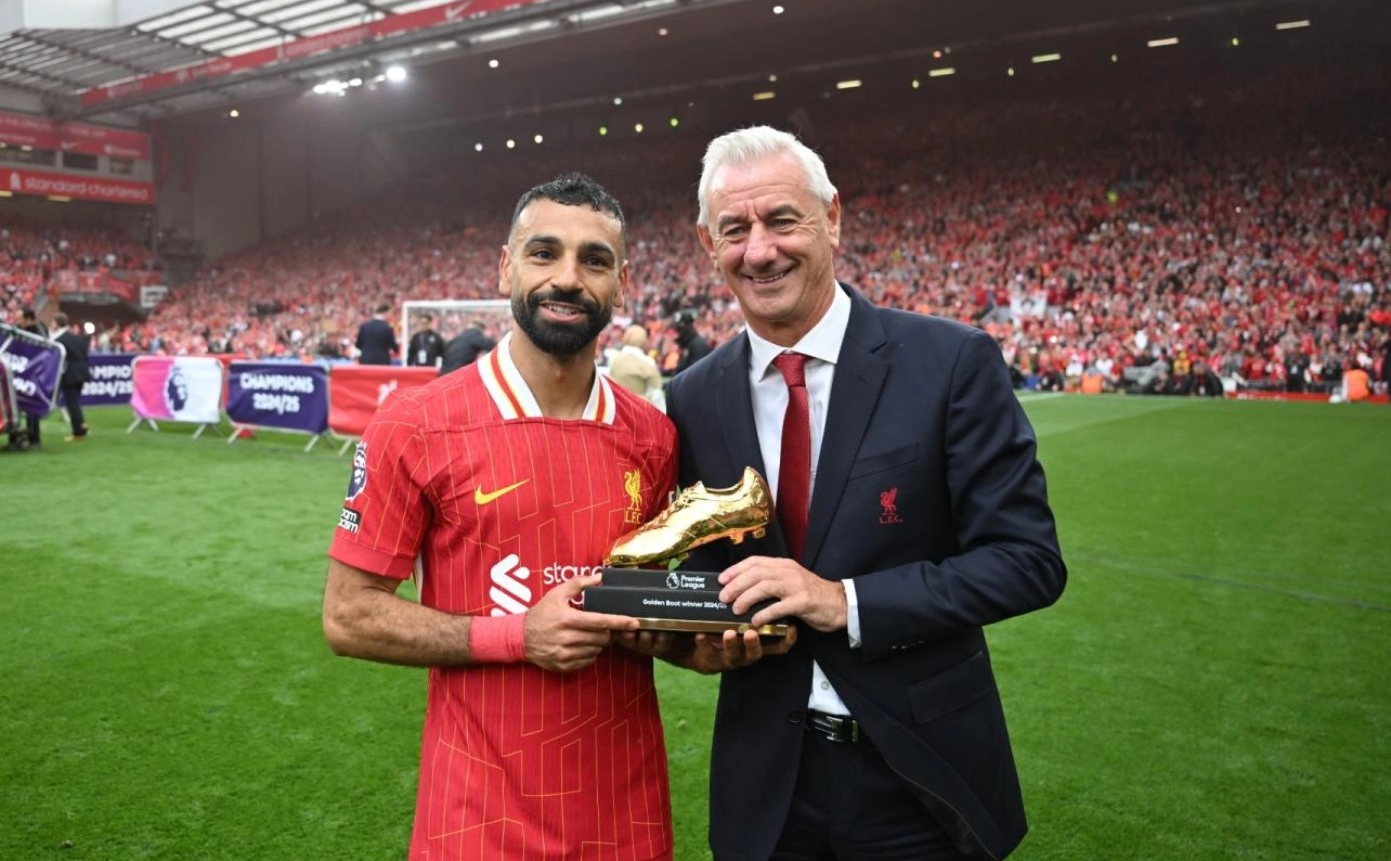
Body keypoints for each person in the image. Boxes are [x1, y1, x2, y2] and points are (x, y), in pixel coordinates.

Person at [662, 126, 1066, 860]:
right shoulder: (690, 397)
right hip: (766, 789)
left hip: (917, 777)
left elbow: (1026, 559)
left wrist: (841, 599)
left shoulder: (950, 361)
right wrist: (690, 640)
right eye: (735, 230)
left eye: (782, 219)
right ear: (705, 244)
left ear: (833, 219)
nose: (760, 249)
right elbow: (694, 570)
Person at [323, 173, 679, 859]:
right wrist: (518, 634)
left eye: (593, 260)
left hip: (627, 823)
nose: (567, 278)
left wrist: (703, 641)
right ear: (505, 265)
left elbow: (649, 612)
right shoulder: (414, 423)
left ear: (621, 282)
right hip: (476, 823)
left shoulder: (654, 437)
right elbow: (348, 615)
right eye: (544, 253)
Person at [53, 312, 90, 441]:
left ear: (56, 324)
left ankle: (78, 431)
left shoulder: (59, 340)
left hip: (70, 373)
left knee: (72, 403)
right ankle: (81, 424)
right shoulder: (78, 337)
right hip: (82, 372)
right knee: (75, 401)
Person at [608, 323, 664, 407]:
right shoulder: (647, 362)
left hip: (618, 408)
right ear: (643, 340)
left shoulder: (613, 358)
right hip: (640, 410)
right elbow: (656, 395)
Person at [15, 308, 48, 448]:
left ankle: (34, 438)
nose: (17, 321)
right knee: (16, 405)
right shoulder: (19, 330)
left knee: (31, 407)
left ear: (28, 319)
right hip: (20, 372)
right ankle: (17, 438)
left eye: (20, 318)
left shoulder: (39, 332)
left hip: (34, 374)